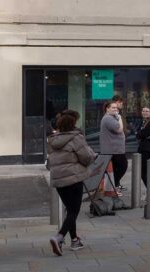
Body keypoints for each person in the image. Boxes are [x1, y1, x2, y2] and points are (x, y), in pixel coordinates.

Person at [47, 110, 96, 256]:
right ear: (73, 124)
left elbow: (50, 161)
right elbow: (86, 158)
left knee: (70, 210)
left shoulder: (52, 140)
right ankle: (59, 237)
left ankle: (75, 240)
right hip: (74, 178)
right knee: (74, 210)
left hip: (59, 180)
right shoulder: (76, 138)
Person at [99, 99, 127, 192]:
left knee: (114, 170)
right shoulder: (108, 118)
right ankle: (112, 186)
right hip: (113, 150)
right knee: (123, 166)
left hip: (115, 150)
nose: (116, 109)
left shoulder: (110, 117)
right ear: (107, 109)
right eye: (113, 107)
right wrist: (119, 118)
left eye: (116, 107)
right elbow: (119, 129)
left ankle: (112, 188)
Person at [136, 105, 150, 190]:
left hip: (148, 150)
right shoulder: (143, 122)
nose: (144, 112)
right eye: (143, 111)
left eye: (146, 111)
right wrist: (140, 134)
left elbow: (146, 134)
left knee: (143, 172)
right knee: (143, 172)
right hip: (143, 148)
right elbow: (138, 134)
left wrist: (141, 134)